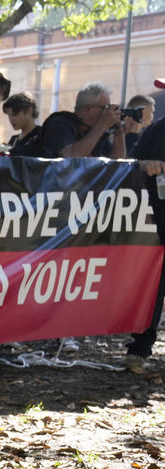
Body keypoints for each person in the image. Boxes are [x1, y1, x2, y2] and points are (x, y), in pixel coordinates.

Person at [124, 77, 165, 374]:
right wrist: (143, 165)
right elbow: (129, 169)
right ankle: (139, 350)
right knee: (155, 286)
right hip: (159, 225)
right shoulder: (155, 131)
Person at [38, 82, 126, 159]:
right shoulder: (59, 124)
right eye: (105, 108)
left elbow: (115, 165)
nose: (107, 113)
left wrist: (119, 133)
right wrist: (102, 125)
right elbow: (70, 156)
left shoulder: (96, 131)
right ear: (88, 109)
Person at [3, 91, 43, 156]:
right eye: (9, 115)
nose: (11, 119)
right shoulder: (14, 140)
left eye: (14, 114)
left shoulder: (41, 136)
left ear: (29, 110)